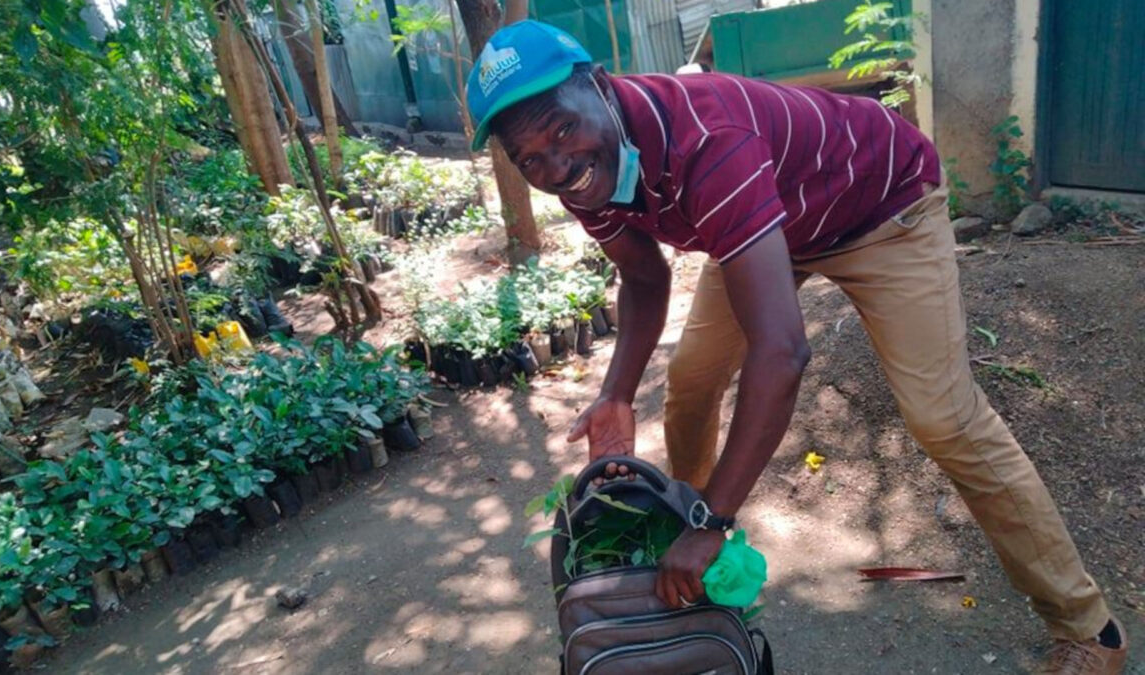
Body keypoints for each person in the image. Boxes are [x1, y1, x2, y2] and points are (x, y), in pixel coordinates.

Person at [465, 20, 1128, 674]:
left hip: (883, 209)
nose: (556, 165)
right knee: (691, 381)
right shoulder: (584, 169)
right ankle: (677, 553)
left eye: (560, 129)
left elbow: (781, 352)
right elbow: (643, 276)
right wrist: (614, 394)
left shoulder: (706, 138)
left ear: (601, 87)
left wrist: (717, 521)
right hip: (761, 225)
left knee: (943, 416)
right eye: (530, 159)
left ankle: (1087, 625)